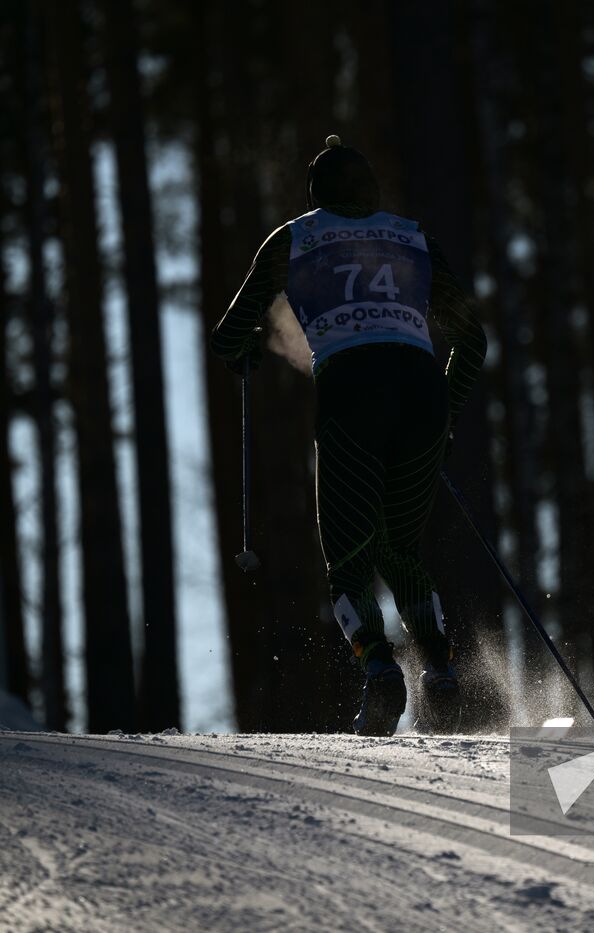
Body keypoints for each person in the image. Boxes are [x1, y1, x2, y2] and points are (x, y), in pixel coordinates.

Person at [212, 136, 487, 736]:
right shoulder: (414, 235)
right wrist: (447, 419)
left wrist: (245, 352)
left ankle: (380, 667)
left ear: (315, 194)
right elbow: (473, 339)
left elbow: (230, 332)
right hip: (421, 395)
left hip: (350, 397)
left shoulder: (293, 237)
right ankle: (440, 673)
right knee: (400, 550)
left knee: (350, 558)